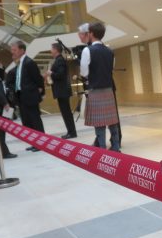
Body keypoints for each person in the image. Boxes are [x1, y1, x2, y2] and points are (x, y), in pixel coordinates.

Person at [84, 22, 120, 152]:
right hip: (109, 89)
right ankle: (116, 147)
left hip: (95, 89)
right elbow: (111, 69)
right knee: (112, 120)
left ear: (92, 34)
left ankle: (102, 149)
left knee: (99, 123)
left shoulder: (87, 50)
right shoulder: (110, 51)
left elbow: (84, 73)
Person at [10, 40, 45, 152]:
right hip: (21, 97)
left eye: (14, 50)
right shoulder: (19, 63)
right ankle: (33, 142)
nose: (12, 52)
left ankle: (40, 143)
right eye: (12, 50)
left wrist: (39, 91)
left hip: (30, 96)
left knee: (35, 120)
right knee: (27, 122)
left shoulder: (29, 62)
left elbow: (38, 79)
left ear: (22, 50)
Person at [48, 43, 76, 139]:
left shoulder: (60, 60)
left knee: (66, 112)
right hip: (62, 91)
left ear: (56, 50)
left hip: (62, 91)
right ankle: (71, 131)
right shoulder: (58, 60)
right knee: (65, 112)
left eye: (51, 49)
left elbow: (60, 75)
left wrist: (51, 73)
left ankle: (71, 132)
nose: (50, 51)